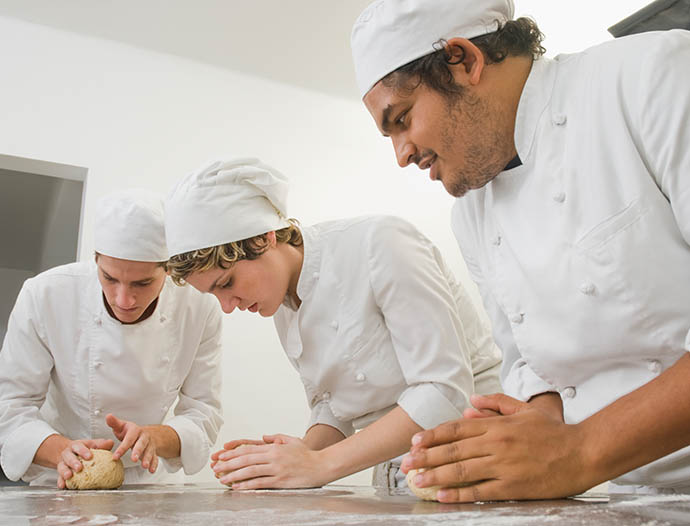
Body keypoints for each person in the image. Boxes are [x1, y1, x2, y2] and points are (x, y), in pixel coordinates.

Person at [351, 0, 690, 502]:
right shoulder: (471, 213)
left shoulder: (652, 77)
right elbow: (533, 369)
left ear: (464, 61)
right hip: (628, 493)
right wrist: (525, 430)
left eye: (401, 119)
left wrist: (579, 452)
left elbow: (576, 450)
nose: (402, 155)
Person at [164, 157, 502, 489]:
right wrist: (293, 457)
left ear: (263, 238)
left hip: (479, 456)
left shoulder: (380, 243)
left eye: (226, 283)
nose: (227, 307)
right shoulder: (281, 301)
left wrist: (319, 465)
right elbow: (333, 403)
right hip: (400, 474)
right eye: (214, 294)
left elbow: (443, 391)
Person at [0, 190, 224, 487]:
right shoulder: (46, 295)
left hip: (148, 480)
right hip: (63, 476)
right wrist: (62, 452)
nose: (123, 300)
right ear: (96, 260)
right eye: (109, 278)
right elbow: (11, 405)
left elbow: (203, 411)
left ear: (168, 270)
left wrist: (155, 438)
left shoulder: (198, 307)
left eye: (142, 283)